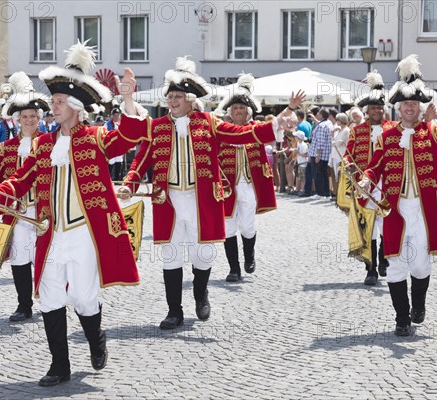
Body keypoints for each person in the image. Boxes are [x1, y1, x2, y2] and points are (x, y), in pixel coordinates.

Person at [0, 42, 149, 386]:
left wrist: (128, 99)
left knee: (84, 298)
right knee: (51, 295)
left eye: (58, 103)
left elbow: (130, 136)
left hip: (85, 234)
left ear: (74, 107)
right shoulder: (43, 144)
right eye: (54, 102)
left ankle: (95, 337)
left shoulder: (96, 137)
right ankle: (60, 365)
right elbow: (21, 177)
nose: (52, 107)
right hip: (50, 232)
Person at [117, 56, 301, 330]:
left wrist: (283, 116)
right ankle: (174, 311)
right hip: (168, 200)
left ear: (191, 99)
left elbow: (243, 134)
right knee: (170, 255)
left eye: (179, 96)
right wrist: (129, 183)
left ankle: (201, 293)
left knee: (202, 254)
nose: (173, 101)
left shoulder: (209, 123)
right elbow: (140, 155)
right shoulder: (157, 127)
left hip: (201, 199)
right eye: (170, 97)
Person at [359, 55, 437, 336]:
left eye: (414, 104)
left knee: (421, 264)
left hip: (424, 210)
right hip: (395, 209)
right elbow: (375, 165)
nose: (410, 108)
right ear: (399, 108)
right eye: (406, 104)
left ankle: (419, 305)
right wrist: (366, 178)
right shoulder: (387, 137)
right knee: (396, 263)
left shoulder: (432, 131)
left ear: (419, 107)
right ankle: (401, 318)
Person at [0, 72, 51, 323]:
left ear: (39, 119)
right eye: (25, 117)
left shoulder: (50, 144)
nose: (29, 120)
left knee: (47, 259)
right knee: (19, 259)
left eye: (33, 116)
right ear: (18, 120)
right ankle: (24, 305)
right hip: (17, 213)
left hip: (43, 212)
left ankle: (51, 302)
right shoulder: (7, 147)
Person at [213, 73, 283, 282]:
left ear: (248, 111)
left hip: (250, 185)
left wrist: (288, 110)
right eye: (234, 108)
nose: (238, 111)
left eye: (242, 108)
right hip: (228, 186)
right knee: (228, 227)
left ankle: (249, 256)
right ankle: (234, 269)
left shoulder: (255, 130)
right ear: (230, 112)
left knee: (247, 225)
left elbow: (275, 130)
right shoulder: (222, 131)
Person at [344, 70, 395, 285]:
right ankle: (371, 269)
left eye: (379, 108)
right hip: (365, 185)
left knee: (387, 225)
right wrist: (347, 163)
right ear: (367, 110)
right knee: (369, 228)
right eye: (373, 108)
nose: (377, 111)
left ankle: (384, 258)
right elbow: (349, 152)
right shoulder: (357, 131)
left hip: (387, 184)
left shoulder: (393, 128)